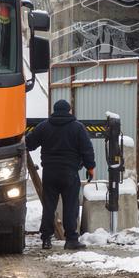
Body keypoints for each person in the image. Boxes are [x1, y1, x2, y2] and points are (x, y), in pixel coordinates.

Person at [25, 99, 96, 250]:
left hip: (50, 172)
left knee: (49, 206)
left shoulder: (44, 126)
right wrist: (90, 168)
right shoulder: (77, 127)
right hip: (70, 172)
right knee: (70, 206)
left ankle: (46, 239)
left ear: (54, 110)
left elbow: (29, 144)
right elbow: (87, 149)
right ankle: (71, 239)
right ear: (69, 110)